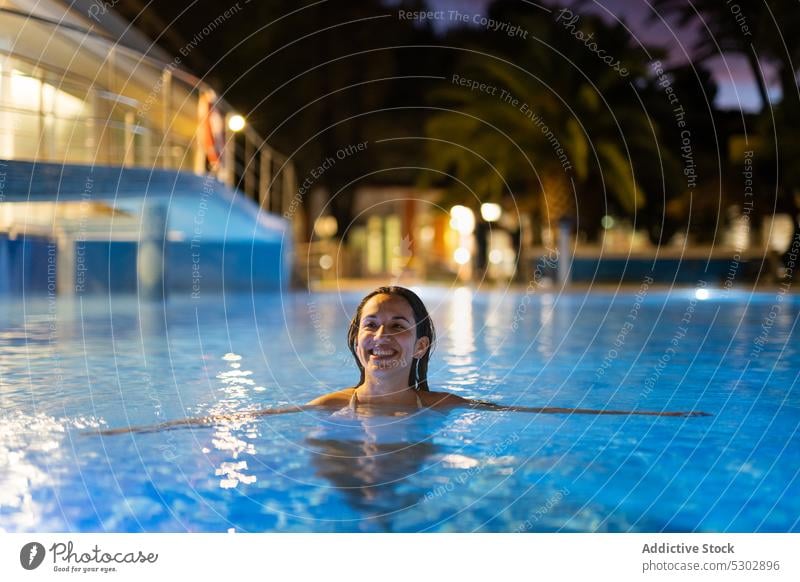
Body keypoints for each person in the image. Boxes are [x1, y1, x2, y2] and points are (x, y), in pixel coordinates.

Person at [96, 286, 708, 435]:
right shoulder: (331, 408)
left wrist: (662, 415)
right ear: (357, 341)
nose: (381, 335)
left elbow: (540, 409)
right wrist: (135, 429)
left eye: (397, 326)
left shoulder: (444, 405)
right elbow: (254, 419)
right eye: (371, 325)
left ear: (419, 346)